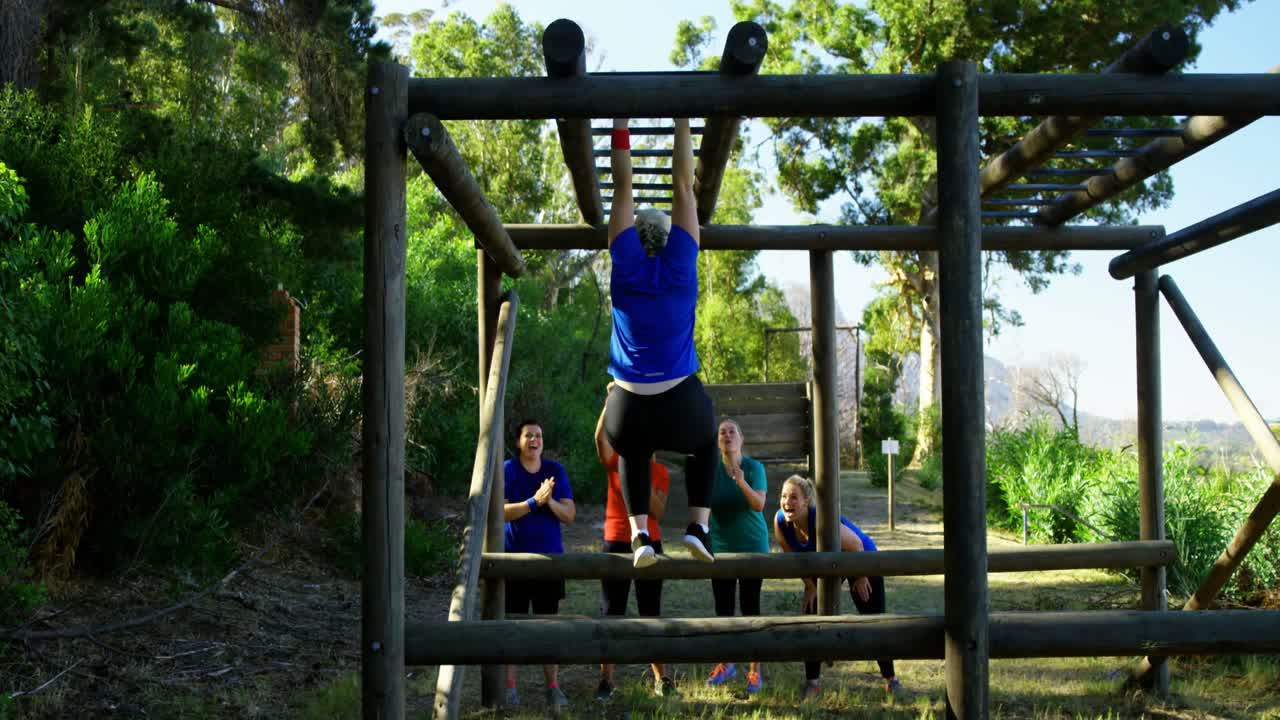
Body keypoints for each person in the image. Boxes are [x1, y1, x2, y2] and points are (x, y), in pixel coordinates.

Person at [603, 116, 717, 569]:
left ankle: (639, 537)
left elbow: (622, 185)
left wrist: (620, 124)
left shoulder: (624, 261)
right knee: (706, 443)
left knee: (632, 450)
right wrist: (683, 121)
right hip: (679, 401)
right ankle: (698, 527)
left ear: (633, 233)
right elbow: (685, 187)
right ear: (670, 237)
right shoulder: (682, 264)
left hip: (625, 406)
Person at [773, 475, 901, 700]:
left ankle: (891, 679)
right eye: (784, 496)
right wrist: (810, 587)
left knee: (873, 619)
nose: (787, 502)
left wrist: (860, 576)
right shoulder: (781, 522)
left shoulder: (821, 519)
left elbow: (856, 545)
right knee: (811, 617)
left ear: (806, 501)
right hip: (825, 563)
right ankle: (812, 683)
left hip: (860, 558)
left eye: (794, 497)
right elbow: (792, 558)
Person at [593, 387, 676, 699]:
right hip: (616, 540)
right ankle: (606, 680)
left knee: (651, 611)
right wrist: (609, 404)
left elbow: (658, 510)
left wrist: (642, 476)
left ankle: (661, 679)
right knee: (612, 611)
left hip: (651, 542)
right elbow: (600, 442)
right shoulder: (617, 461)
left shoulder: (660, 472)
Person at [502, 419, 576, 710]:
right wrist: (534, 501)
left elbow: (569, 514)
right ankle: (509, 688)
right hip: (516, 560)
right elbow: (501, 511)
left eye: (539, 436)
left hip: (549, 562)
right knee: (514, 625)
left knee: (549, 625)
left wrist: (549, 503)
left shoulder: (554, 471)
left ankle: (553, 688)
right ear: (519, 441)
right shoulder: (508, 469)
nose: (534, 439)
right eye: (528, 435)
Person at [704, 418, 769, 694]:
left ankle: (755, 672)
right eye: (722, 432)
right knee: (723, 609)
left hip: (753, 547)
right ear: (718, 441)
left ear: (741, 440)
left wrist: (741, 482)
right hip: (720, 549)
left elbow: (759, 504)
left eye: (732, 432)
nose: (727, 435)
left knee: (750, 608)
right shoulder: (710, 471)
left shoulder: (754, 468)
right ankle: (726, 663)